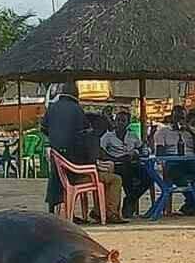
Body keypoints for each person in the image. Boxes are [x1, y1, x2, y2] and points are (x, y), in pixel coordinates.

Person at [42, 80, 127, 224]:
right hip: (76, 170)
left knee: (99, 177)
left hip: (59, 165)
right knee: (114, 179)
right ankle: (109, 213)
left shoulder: (52, 108)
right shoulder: (76, 110)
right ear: (76, 95)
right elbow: (86, 139)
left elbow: (44, 129)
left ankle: (95, 211)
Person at [154, 105, 195, 215]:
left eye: (182, 118)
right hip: (174, 162)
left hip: (191, 161)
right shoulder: (163, 132)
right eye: (176, 117)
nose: (179, 120)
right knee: (175, 171)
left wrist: (189, 130)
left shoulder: (190, 132)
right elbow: (159, 154)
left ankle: (190, 204)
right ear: (171, 118)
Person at [101, 111, 150, 218]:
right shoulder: (108, 136)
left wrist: (137, 153)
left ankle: (129, 200)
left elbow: (142, 148)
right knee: (127, 176)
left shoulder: (132, 135)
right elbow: (101, 153)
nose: (120, 123)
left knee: (148, 177)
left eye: (123, 121)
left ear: (128, 123)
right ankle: (128, 205)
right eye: (118, 120)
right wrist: (116, 159)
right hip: (116, 165)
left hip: (132, 163)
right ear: (114, 122)